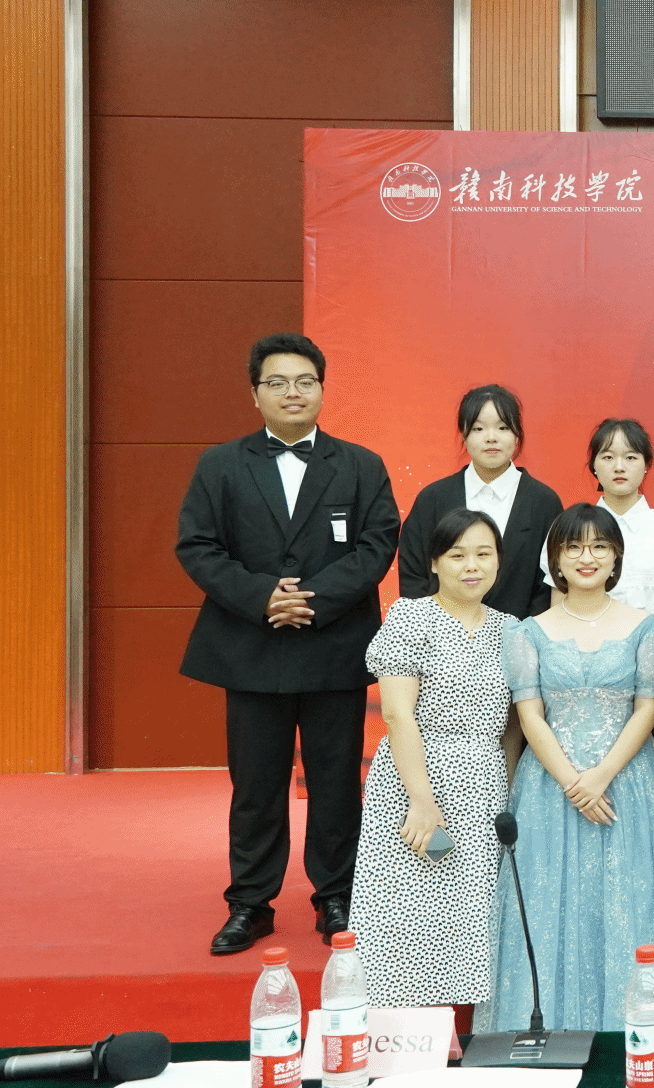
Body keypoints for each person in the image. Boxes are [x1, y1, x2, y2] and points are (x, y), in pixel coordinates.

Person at [176, 333, 401, 954]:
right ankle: (250, 903)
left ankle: (337, 896)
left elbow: (378, 544)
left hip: (334, 649)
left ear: (322, 390)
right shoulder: (220, 465)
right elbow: (197, 545)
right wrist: (262, 597)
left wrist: (314, 599)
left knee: (336, 783)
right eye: (277, 383)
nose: (292, 392)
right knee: (256, 786)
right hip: (252, 649)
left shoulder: (361, 466)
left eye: (305, 381)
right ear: (256, 395)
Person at [480, 503, 654, 1029]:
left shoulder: (647, 628)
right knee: (551, 904)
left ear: (616, 558)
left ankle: (639, 1033)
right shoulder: (527, 632)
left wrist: (601, 776)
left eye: (599, 547)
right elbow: (529, 714)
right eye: (574, 547)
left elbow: (647, 709)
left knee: (632, 900)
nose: (587, 558)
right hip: (549, 787)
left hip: (628, 783)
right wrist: (573, 782)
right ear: (556, 560)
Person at [350, 510, 516, 1007]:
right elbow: (397, 715)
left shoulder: (511, 630)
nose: (472, 566)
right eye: (457, 555)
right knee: (408, 904)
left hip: (484, 785)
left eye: (484, 554)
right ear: (435, 563)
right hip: (417, 777)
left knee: (469, 904)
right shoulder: (411, 618)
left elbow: (512, 728)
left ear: (499, 562)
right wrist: (421, 801)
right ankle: (402, 1024)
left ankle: (463, 1021)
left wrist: (509, 792)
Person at [545, 418, 654, 803]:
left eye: (630, 457)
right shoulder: (567, 530)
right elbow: (557, 606)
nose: (619, 466)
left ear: (646, 465)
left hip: (651, 679)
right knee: (582, 786)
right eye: (607, 456)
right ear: (593, 467)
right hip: (586, 677)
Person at [397, 384, 563, 618]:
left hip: (520, 634)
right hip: (441, 636)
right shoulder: (432, 499)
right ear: (463, 435)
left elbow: (549, 584)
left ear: (517, 434)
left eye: (503, 427)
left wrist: (524, 634)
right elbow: (413, 576)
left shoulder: (544, 503)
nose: (491, 438)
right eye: (478, 428)